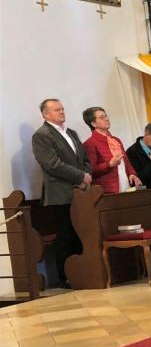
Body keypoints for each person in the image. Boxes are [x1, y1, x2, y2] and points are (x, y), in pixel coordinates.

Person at [31, 99, 91, 288]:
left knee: (82, 232)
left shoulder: (71, 132)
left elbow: (84, 158)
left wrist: (86, 175)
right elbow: (51, 164)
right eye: (57, 110)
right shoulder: (42, 135)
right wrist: (80, 176)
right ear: (45, 114)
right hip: (60, 193)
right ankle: (66, 276)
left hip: (80, 191)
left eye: (62, 109)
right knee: (66, 235)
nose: (62, 112)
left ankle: (83, 272)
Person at [81, 107, 141, 193]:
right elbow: (90, 170)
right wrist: (109, 164)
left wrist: (132, 174)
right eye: (102, 117)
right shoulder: (89, 143)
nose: (106, 119)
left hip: (125, 185)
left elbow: (126, 161)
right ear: (93, 123)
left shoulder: (116, 140)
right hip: (107, 191)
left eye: (106, 116)